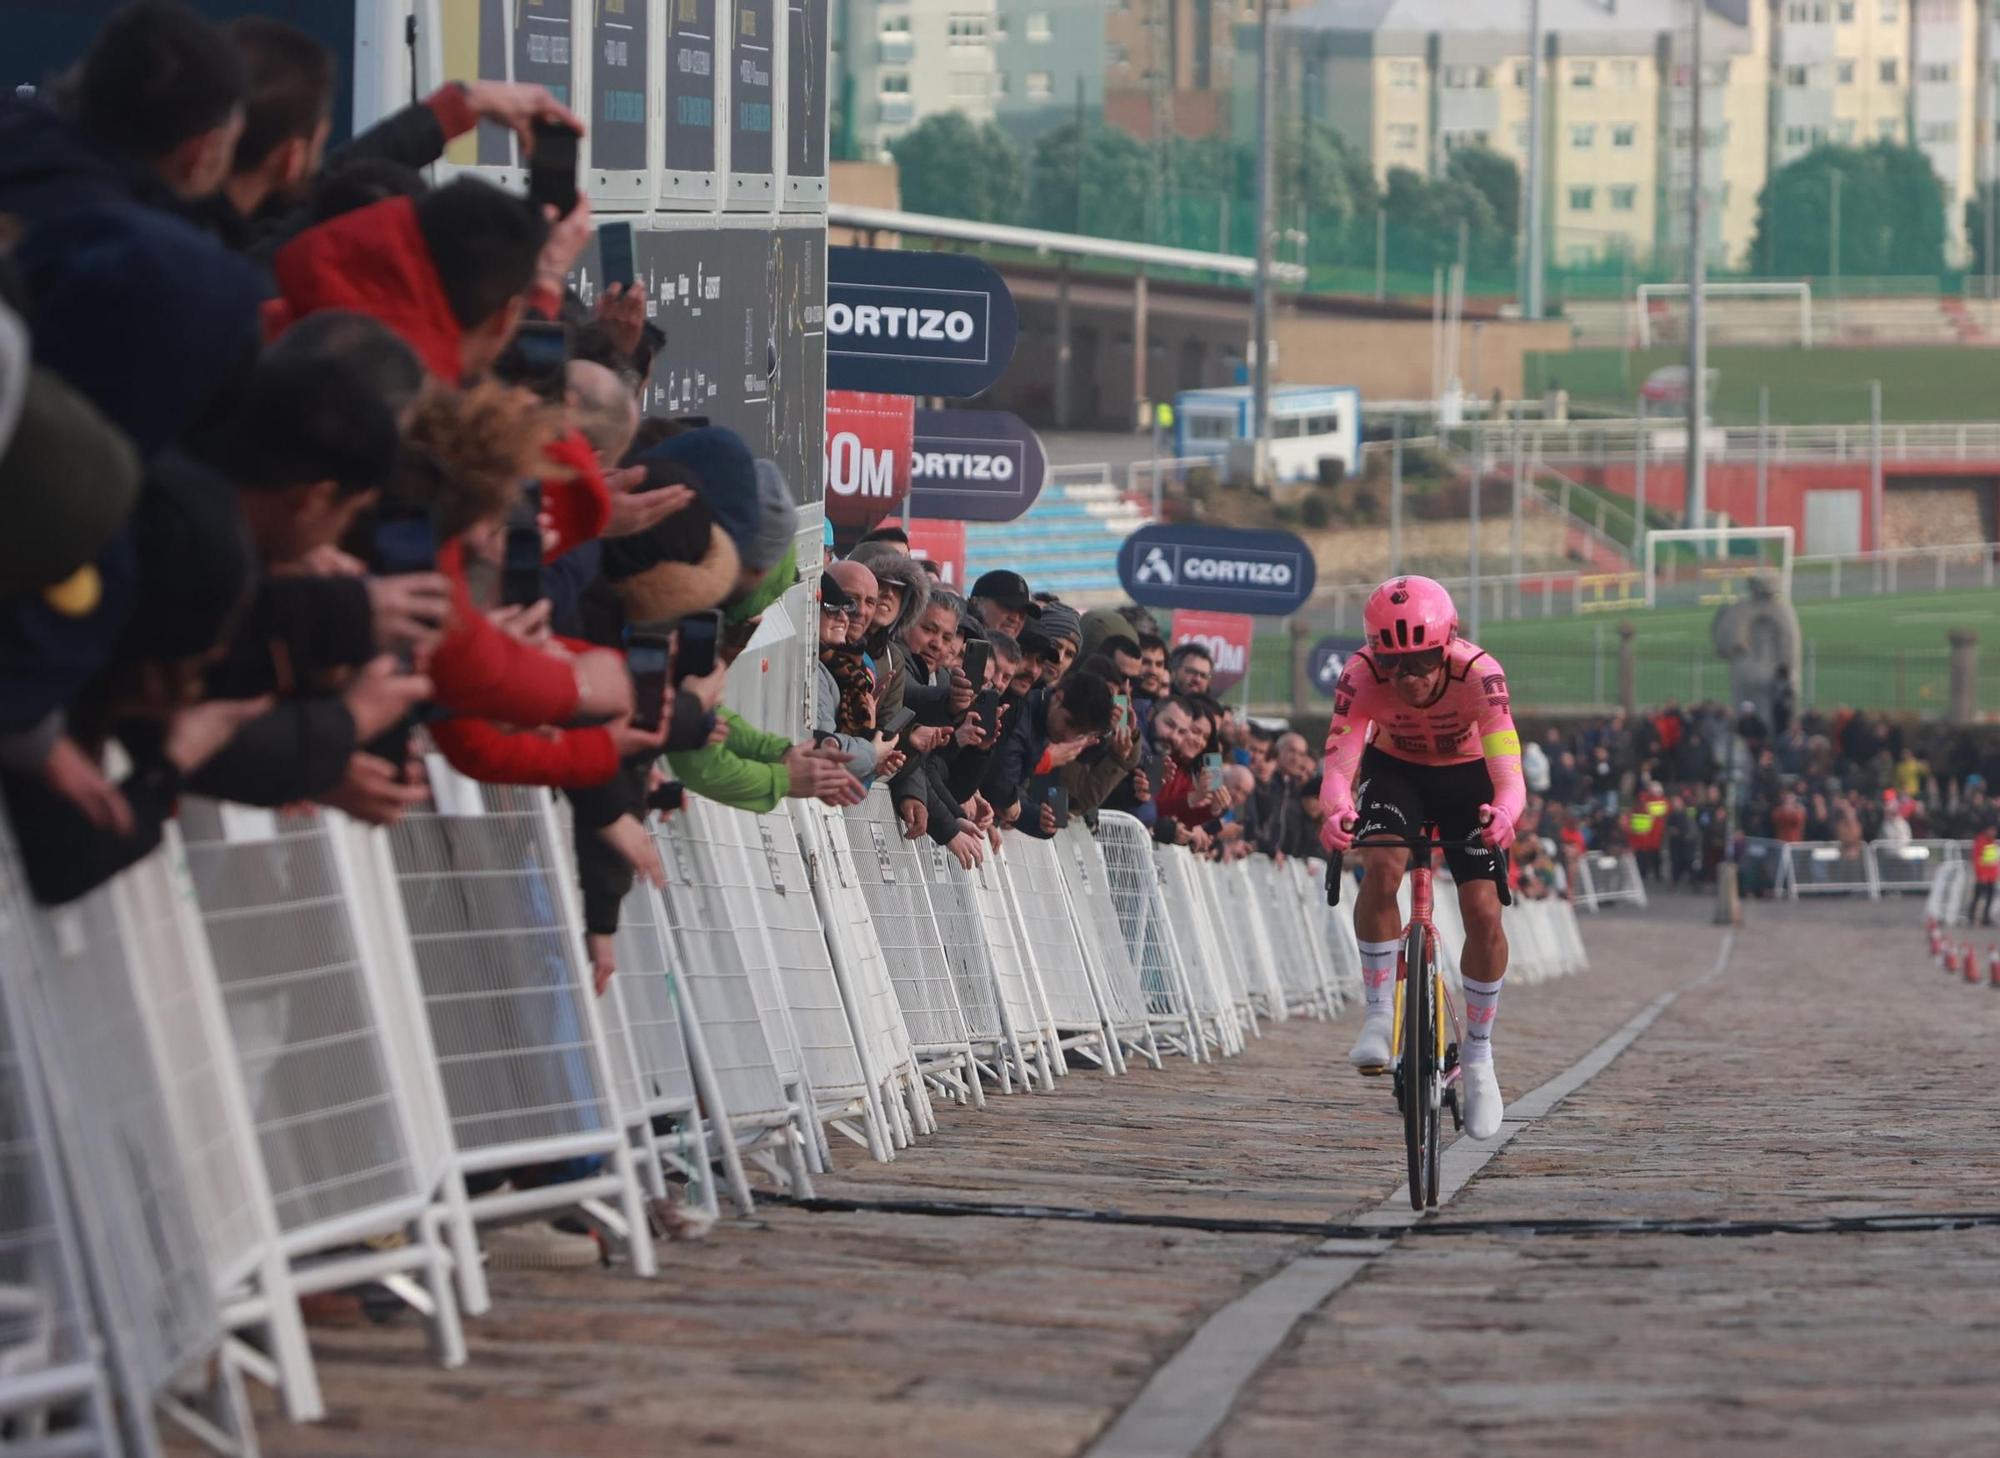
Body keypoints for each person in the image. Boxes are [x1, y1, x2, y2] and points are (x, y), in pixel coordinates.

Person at [1319, 575, 1525, 1142]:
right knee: (1383, 866)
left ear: (1448, 645)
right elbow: (1339, 766)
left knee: (1483, 911)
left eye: (1424, 661)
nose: (1409, 678)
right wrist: (1337, 811)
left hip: (1467, 778)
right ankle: (1380, 1015)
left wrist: (1505, 814)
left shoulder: (1480, 674)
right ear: (1375, 657)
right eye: (1395, 665)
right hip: (1397, 773)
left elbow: (1509, 771)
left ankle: (1479, 1059)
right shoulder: (1360, 675)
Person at [1972, 821, 1999, 927]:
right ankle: (1972, 917)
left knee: (1989, 898)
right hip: (1983, 876)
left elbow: (1992, 861)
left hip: (1991, 876)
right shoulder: (1981, 841)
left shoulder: (1991, 842)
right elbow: (1978, 860)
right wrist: (1981, 874)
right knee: (1978, 897)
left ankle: (1985, 918)